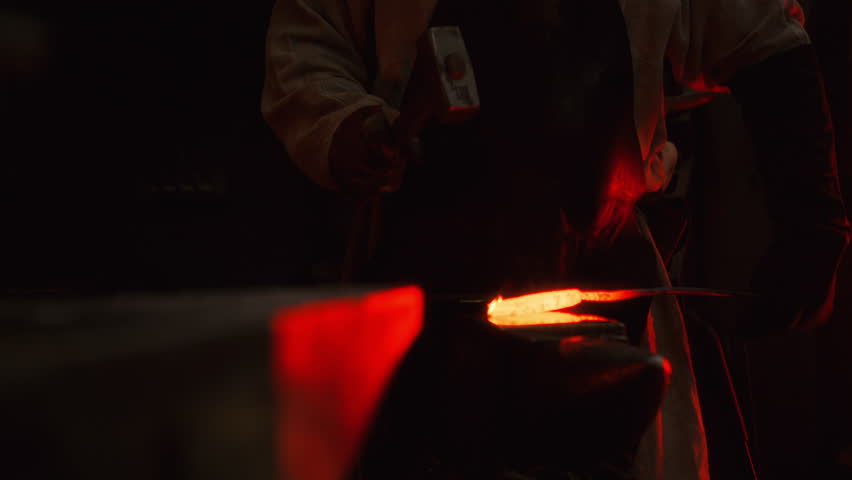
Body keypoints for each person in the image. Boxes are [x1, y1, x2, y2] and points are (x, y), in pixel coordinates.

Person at [261, 1, 850, 479]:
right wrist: (350, 127)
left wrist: (813, 221)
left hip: (607, 280)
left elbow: (762, 37)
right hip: (424, 296)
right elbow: (309, 45)